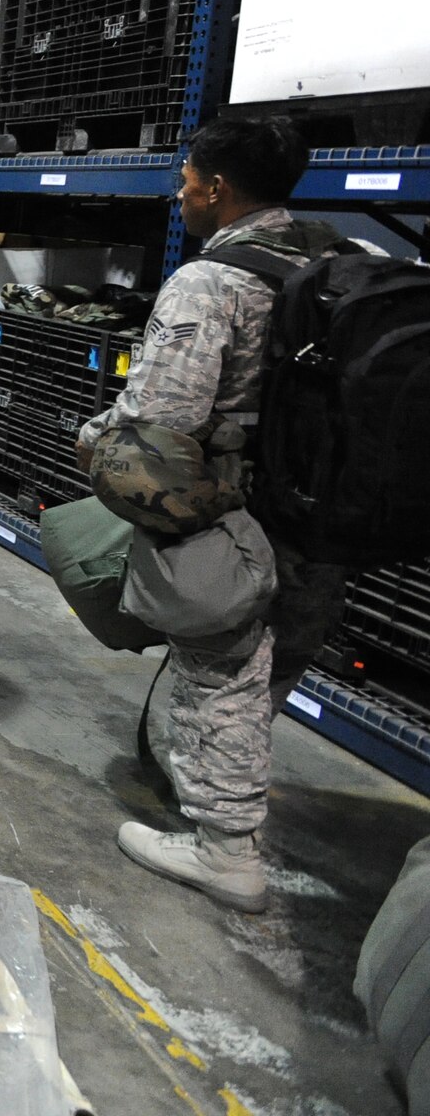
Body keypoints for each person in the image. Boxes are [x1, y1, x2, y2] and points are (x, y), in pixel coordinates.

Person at [76, 117, 347, 913]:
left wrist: (93, 441)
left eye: (186, 177)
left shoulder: (211, 281)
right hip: (322, 503)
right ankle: (220, 781)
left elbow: (162, 416)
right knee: (275, 657)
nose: (181, 190)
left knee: (221, 666)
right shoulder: (335, 259)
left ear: (217, 187)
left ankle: (226, 851)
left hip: (234, 511)